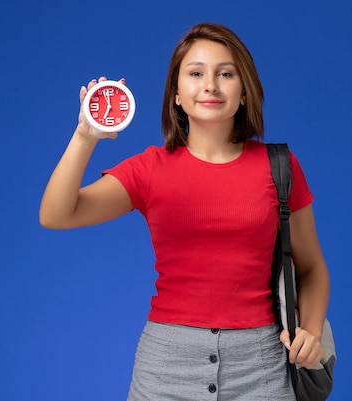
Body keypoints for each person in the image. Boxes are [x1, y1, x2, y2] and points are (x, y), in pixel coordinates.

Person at [39, 23, 330, 400]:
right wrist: (85, 135)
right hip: (166, 364)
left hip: (262, 363)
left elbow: (312, 268)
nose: (210, 84)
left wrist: (311, 330)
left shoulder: (279, 166)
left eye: (225, 73)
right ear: (176, 95)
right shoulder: (149, 169)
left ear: (244, 92)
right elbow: (56, 214)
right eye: (195, 73)